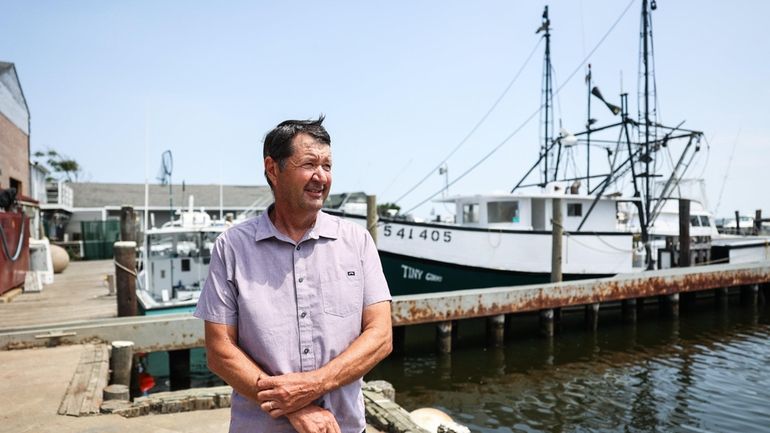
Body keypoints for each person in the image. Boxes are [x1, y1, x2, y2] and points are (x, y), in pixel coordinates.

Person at [194, 116, 393, 433]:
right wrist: (294, 407)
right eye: (310, 164)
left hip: (344, 428)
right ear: (273, 169)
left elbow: (381, 336)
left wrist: (313, 386)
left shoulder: (357, 242)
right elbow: (220, 352)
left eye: (327, 166)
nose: (321, 177)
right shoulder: (231, 248)